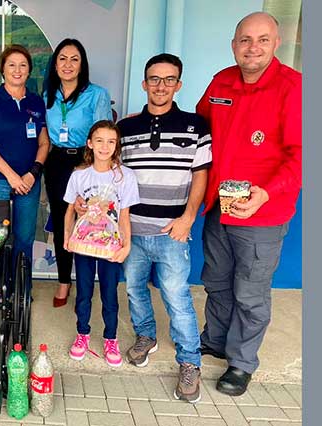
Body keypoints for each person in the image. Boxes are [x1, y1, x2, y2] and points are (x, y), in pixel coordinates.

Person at [195, 12, 302, 396]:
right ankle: (217, 339)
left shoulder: (293, 87)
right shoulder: (222, 80)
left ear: (275, 43)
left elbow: (301, 153)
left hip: (262, 211)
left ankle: (241, 362)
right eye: (245, 40)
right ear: (234, 44)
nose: (252, 48)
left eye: (262, 39)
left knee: (250, 290)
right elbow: (199, 127)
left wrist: (266, 192)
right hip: (219, 204)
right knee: (217, 280)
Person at [117, 54, 212, 403]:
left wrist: (188, 219)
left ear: (178, 84)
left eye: (168, 79)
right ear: (144, 84)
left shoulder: (196, 125)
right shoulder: (125, 129)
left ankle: (190, 363)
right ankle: (146, 336)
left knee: (177, 298)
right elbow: (116, 177)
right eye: (154, 79)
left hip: (172, 231)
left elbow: (200, 175)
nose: (160, 86)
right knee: (134, 290)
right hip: (134, 230)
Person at [43, 39, 112, 308]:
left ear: (82, 64)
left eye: (74, 59)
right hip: (58, 162)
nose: (68, 64)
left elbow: (103, 135)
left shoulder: (97, 94)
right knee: (64, 223)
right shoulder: (49, 94)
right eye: (62, 58)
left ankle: (86, 285)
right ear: (55, 64)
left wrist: (93, 169)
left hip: (86, 161)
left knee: (90, 220)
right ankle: (64, 280)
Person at [63, 120, 138, 368]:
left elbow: (124, 216)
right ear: (89, 144)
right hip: (84, 245)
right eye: (99, 140)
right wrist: (66, 238)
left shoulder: (125, 177)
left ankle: (110, 338)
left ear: (116, 146)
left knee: (109, 294)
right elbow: (69, 211)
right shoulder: (79, 175)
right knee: (83, 292)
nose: (104, 147)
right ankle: (82, 334)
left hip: (111, 247)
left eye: (111, 141)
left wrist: (126, 246)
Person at [0, 45, 50, 293]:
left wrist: (32, 173)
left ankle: (21, 288)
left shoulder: (36, 102)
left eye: (23, 65)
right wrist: (11, 176)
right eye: (11, 65)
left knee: (24, 237)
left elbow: (44, 142)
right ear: (2, 70)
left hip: (28, 181)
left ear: (29, 70)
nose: (17, 70)